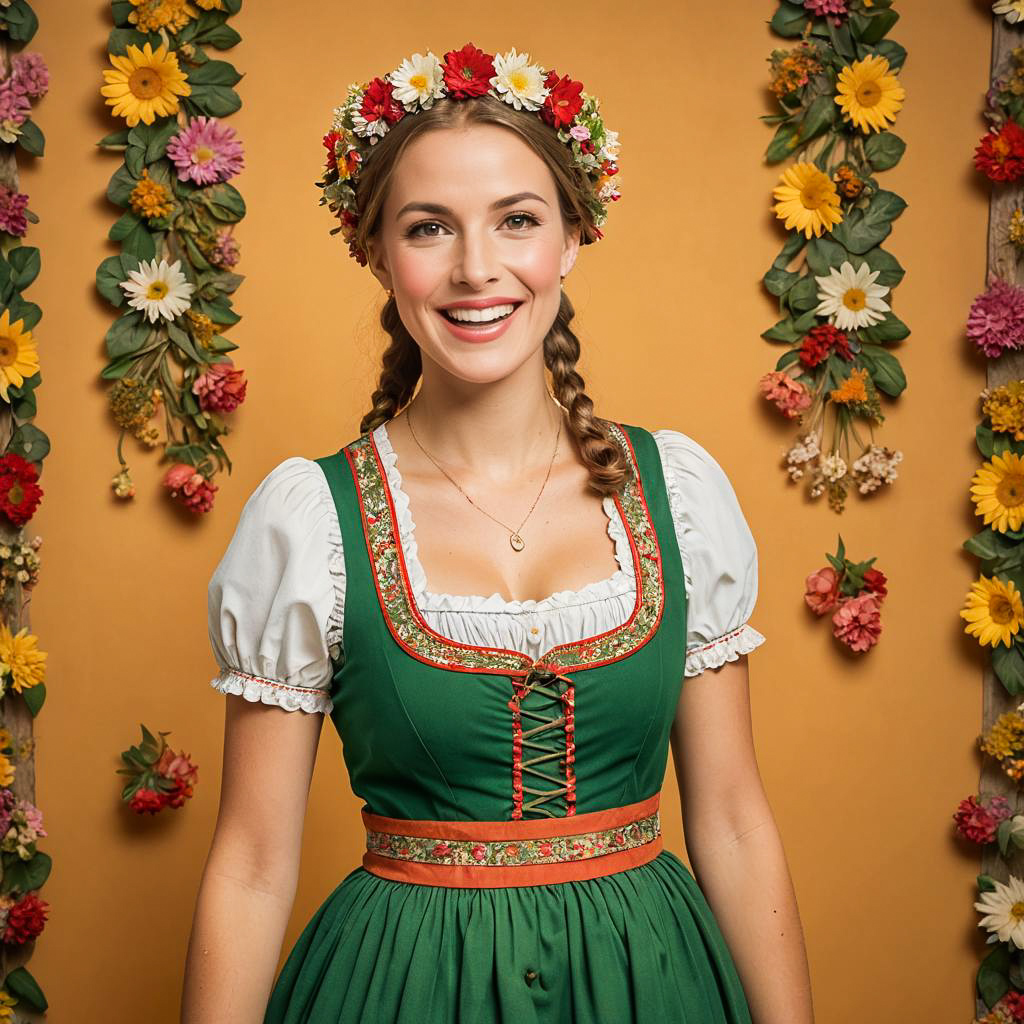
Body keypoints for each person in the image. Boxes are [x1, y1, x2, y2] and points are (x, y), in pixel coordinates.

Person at [180, 42, 815, 1024]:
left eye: (516, 220)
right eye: (429, 227)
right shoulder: (312, 519)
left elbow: (730, 820)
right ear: (376, 251)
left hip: (650, 986)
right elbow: (254, 865)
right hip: (400, 989)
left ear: (569, 237)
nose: (478, 269)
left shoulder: (674, 491)